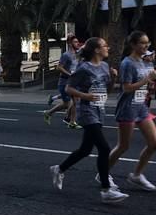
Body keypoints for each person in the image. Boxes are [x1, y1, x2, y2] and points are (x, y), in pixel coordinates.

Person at [49, 37, 129, 204]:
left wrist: (113, 78)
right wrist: (85, 96)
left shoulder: (105, 66)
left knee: (85, 150)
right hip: (86, 111)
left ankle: (59, 168)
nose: (108, 47)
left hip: (100, 109)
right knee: (104, 148)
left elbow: (107, 89)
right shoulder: (84, 68)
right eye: (104, 45)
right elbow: (68, 88)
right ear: (96, 50)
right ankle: (106, 190)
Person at [107, 31, 156, 192]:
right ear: (133, 45)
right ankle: (103, 173)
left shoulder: (145, 63)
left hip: (141, 107)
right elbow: (126, 88)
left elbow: (145, 84)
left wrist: (151, 82)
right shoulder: (127, 63)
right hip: (127, 107)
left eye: (147, 43)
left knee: (154, 144)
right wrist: (146, 80)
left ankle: (137, 175)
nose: (146, 46)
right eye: (142, 43)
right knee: (123, 146)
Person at [44, 35, 81, 128]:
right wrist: (69, 74)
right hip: (64, 82)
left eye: (77, 42)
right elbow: (59, 67)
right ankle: (69, 120)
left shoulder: (77, 54)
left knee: (73, 102)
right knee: (70, 103)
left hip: (73, 82)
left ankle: (70, 121)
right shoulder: (66, 55)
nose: (77, 43)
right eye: (75, 42)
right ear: (69, 43)